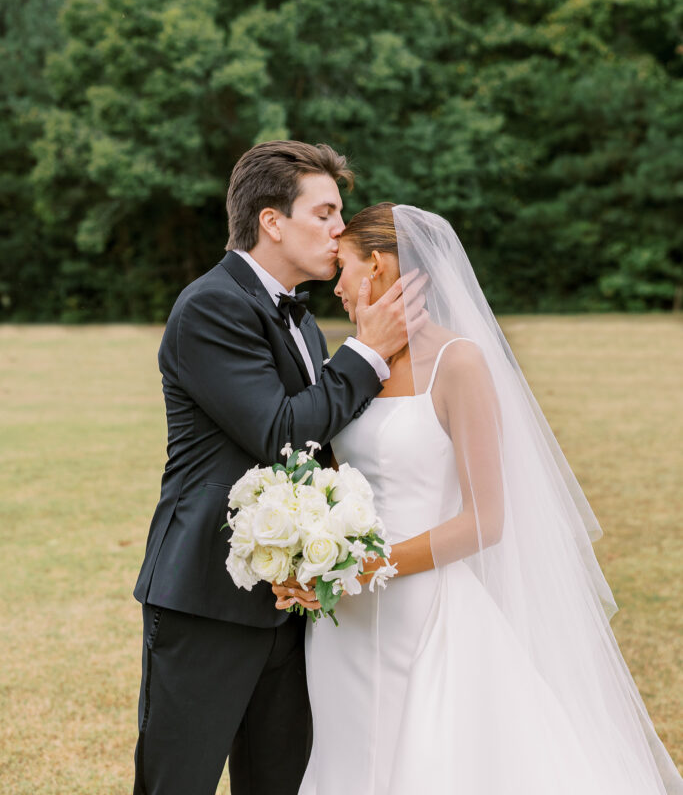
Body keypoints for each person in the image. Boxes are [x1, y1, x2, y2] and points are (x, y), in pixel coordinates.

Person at [275, 202, 683, 795]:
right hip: (345, 620)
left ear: (380, 268)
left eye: (344, 267)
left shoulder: (458, 363)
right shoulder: (349, 363)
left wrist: (371, 565)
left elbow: (484, 521)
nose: (335, 287)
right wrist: (310, 554)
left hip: (424, 609)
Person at [131, 145, 427, 795]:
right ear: (272, 222)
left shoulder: (300, 319)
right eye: (324, 213)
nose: (338, 229)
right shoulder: (210, 306)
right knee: (177, 781)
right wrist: (369, 352)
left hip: (290, 600)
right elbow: (281, 432)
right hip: (206, 597)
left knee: (280, 781)